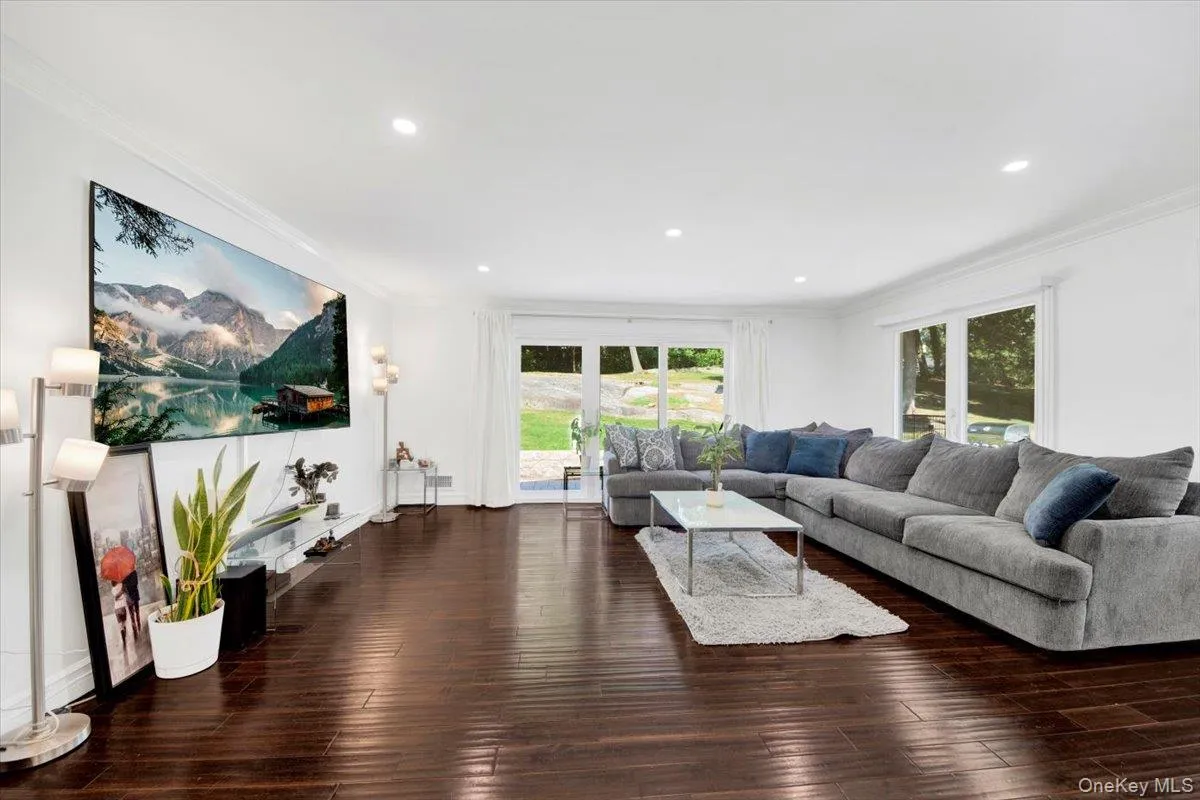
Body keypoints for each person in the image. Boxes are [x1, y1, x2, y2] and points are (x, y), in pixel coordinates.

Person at [121, 569, 141, 640]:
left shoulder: (123, 575)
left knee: (132, 613)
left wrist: (125, 585)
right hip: (135, 594)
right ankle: (138, 624)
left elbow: (123, 588)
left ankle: (135, 625)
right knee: (137, 611)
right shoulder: (134, 571)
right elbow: (136, 583)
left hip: (129, 596)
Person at [111, 582, 129, 656]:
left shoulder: (112, 589)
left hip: (116, 608)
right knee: (124, 622)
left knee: (120, 624)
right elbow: (118, 596)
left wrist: (122, 591)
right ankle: (124, 631)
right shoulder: (121, 585)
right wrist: (122, 590)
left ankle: (122, 633)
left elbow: (115, 597)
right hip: (122, 607)